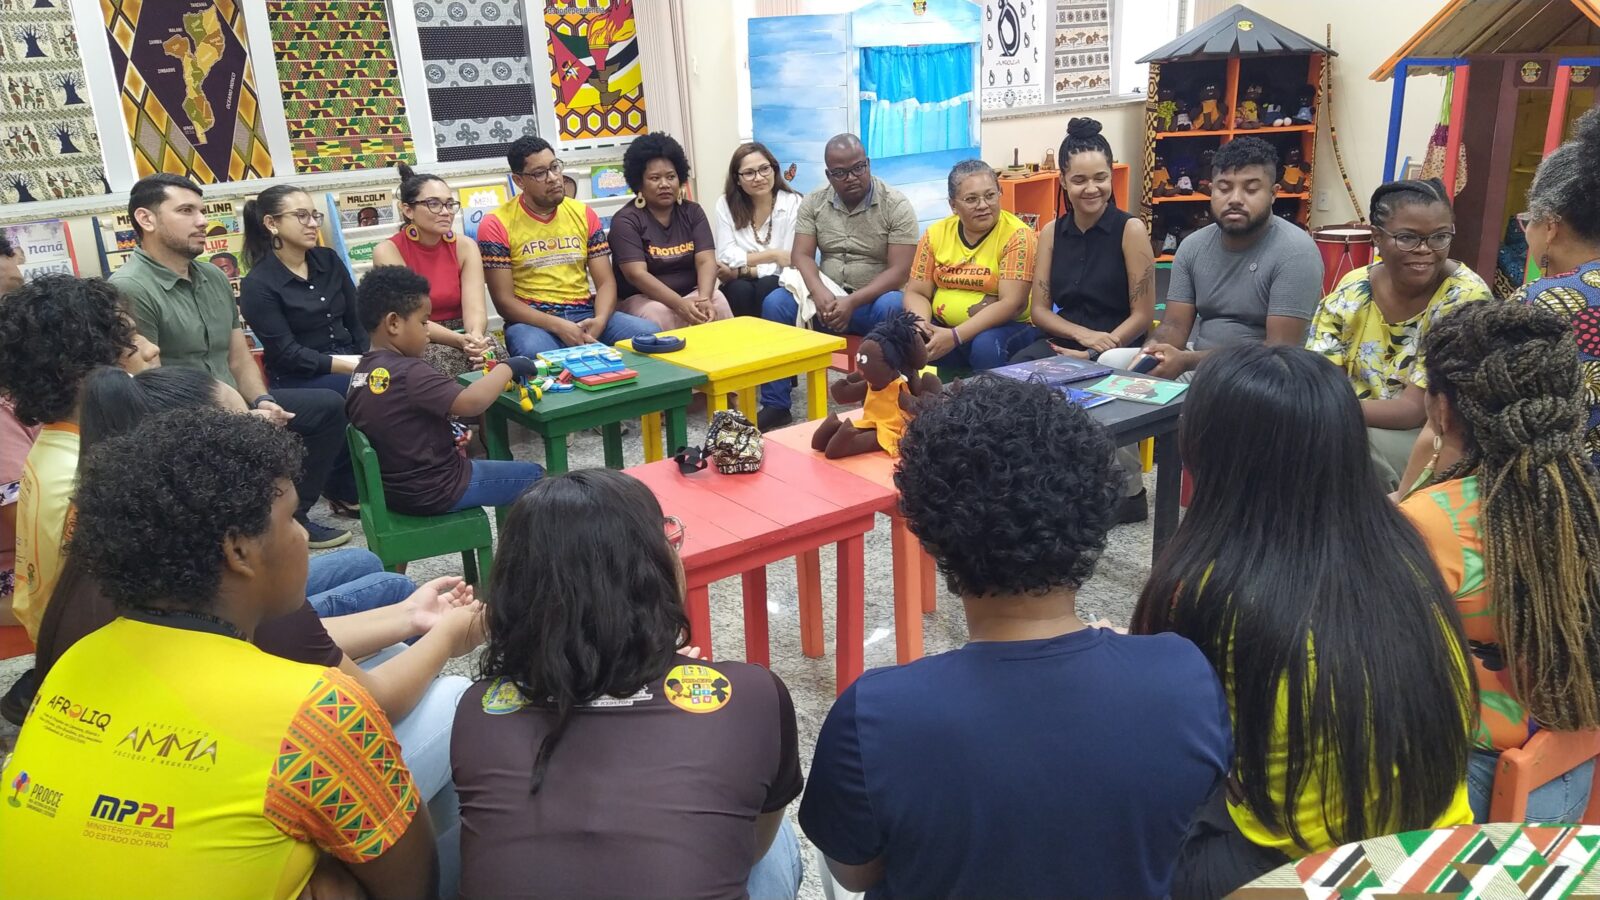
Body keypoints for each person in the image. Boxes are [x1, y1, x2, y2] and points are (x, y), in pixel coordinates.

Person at [801, 376, 1231, 898]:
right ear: (1094, 514)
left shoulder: (874, 715)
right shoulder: (1184, 676)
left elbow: (855, 872)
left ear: (927, 531)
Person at [0, 409, 439, 898]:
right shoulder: (316, 710)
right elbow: (414, 885)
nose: (302, 536)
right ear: (238, 551)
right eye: (291, 518)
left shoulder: (77, 659)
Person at [1130, 344, 1473, 899]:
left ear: (1209, 453)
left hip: (1304, 874)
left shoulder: (1208, 587)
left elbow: (1168, 737)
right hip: (1434, 846)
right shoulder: (1404, 546)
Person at [453, 469, 805, 899]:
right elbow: (752, 848)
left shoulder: (476, 707)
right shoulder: (752, 694)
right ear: (653, 571)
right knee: (777, 836)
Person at [1401, 302, 1600, 822]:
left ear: (1441, 409)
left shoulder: (1430, 523)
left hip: (1468, 788)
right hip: (1570, 770)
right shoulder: (1580, 501)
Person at [109, 173, 354, 548]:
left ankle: (294, 515)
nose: (202, 221)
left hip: (234, 405)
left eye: (202, 211)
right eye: (186, 211)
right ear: (147, 219)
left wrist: (263, 401)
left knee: (327, 406)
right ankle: (253, 523)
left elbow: (239, 358)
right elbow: (148, 387)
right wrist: (238, 416)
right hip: (182, 422)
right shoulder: (130, 286)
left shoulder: (213, 276)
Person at [1010, 117, 1156, 522]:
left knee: (1101, 377)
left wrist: (1095, 348)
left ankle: (1128, 494)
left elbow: (1143, 314)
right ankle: (1041, 481)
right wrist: (1081, 336)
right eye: (1079, 180)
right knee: (1015, 374)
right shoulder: (1051, 233)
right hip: (1066, 338)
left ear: (1111, 177)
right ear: (1063, 181)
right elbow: (1040, 310)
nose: (1091, 188)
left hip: (1120, 342)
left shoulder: (1130, 229)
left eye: (1100, 178)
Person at [0, 275, 157, 641]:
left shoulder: (61, 445)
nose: (151, 350)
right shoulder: (86, 475)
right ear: (82, 369)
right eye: (129, 339)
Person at [1307, 179, 1490, 489]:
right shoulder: (1353, 289)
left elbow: (1413, 411)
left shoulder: (1464, 298)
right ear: (1377, 237)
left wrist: (1322, 413)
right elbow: (1322, 380)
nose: (1425, 250)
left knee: (1345, 447)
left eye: (1439, 237)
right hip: (1346, 420)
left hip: (1432, 436)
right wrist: (1319, 411)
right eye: (1407, 238)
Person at [1107, 138, 1323, 380]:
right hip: (1201, 366)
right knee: (1111, 363)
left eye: (1251, 189)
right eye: (1224, 188)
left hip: (1265, 379)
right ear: (1211, 190)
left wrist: (1187, 361)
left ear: (1273, 194)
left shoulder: (1296, 252)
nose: (1235, 199)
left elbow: (1278, 352)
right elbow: (1174, 326)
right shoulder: (1193, 247)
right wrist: (1152, 354)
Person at [348, 266, 543, 515]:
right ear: (394, 323)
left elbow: (398, 425)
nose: (428, 333)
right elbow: (472, 402)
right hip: (438, 488)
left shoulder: (361, 373)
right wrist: (509, 366)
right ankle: (522, 538)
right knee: (537, 478)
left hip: (394, 492)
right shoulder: (409, 372)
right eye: (423, 322)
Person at [756, 133, 917, 431]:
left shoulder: (896, 204)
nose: (852, 177)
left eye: (858, 168)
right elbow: (801, 255)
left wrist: (852, 302)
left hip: (871, 302)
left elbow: (900, 271)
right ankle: (776, 404)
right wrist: (819, 293)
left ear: (868, 164)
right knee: (776, 302)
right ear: (829, 174)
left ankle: (885, 400)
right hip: (826, 299)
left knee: (894, 305)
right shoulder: (814, 201)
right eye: (841, 173)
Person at [477, 135, 657, 358]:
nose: (553, 178)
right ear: (519, 181)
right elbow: (504, 302)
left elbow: (605, 282)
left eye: (555, 167)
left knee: (649, 334)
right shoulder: (496, 224)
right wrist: (559, 326)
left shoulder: (583, 213)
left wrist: (600, 321)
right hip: (534, 322)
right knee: (536, 353)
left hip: (585, 313)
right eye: (540, 173)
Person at [901, 160, 1040, 374]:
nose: (983, 205)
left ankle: (988, 396)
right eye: (971, 199)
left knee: (985, 345)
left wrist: (955, 336)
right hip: (946, 328)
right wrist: (922, 328)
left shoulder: (1018, 236)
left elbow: (1013, 303)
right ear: (953, 205)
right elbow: (917, 292)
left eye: (990, 195)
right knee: (900, 322)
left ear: (1000, 194)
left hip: (1007, 328)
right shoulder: (935, 234)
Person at [372, 163, 506, 379]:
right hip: (418, 335)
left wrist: (475, 338)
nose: (445, 212)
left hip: (464, 331)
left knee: (494, 355)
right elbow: (411, 316)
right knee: (445, 363)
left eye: (449, 204)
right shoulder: (388, 251)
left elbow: (475, 309)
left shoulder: (465, 246)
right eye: (433, 204)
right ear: (408, 210)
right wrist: (459, 341)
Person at [239, 183, 369, 393]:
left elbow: (358, 319)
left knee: (405, 377)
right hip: (301, 376)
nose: (313, 224)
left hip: (352, 359)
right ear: (271, 223)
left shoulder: (328, 259)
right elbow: (287, 353)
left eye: (315, 216)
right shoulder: (258, 284)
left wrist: (371, 358)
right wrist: (354, 367)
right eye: (301, 216)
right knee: (371, 388)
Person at [609, 132, 733, 331]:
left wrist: (703, 298)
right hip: (643, 299)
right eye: (655, 178)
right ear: (639, 183)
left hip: (691, 293)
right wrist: (679, 304)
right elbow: (636, 274)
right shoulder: (625, 220)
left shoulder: (693, 212)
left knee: (718, 301)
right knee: (659, 312)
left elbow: (706, 261)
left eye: (671, 177)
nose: (665, 184)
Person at [714, 141, 802, 317]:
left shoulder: (793, 202)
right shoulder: (725, 204)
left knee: (768, 285)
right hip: (739, 285)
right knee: (738, 290)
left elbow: (789, 261)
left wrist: (743, 271)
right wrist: (773, 255)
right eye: (749, 173)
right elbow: (726, 255)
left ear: (774, 170)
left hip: (780, 280)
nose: (759, 177)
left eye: (764, 169)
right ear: (737, 179)